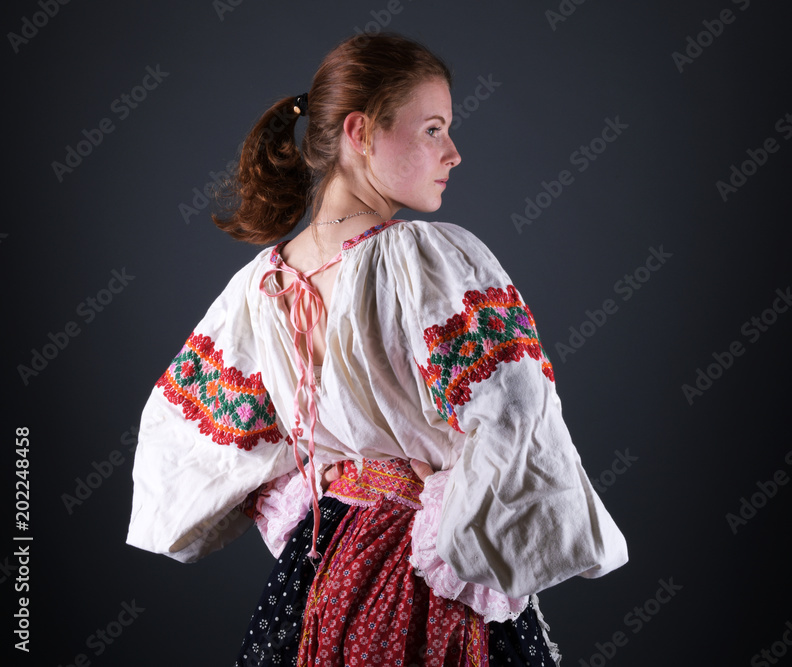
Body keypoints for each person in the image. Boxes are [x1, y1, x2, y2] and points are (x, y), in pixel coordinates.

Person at [125, 32, 628, 666]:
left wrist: (319, 489)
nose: (454, 152)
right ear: (362, 133)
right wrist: (462, 521)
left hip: (326, 563)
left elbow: (196, 444)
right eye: (433, 130)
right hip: (428, 565)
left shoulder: (258, 285)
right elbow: (517, 418)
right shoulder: (426, 257)